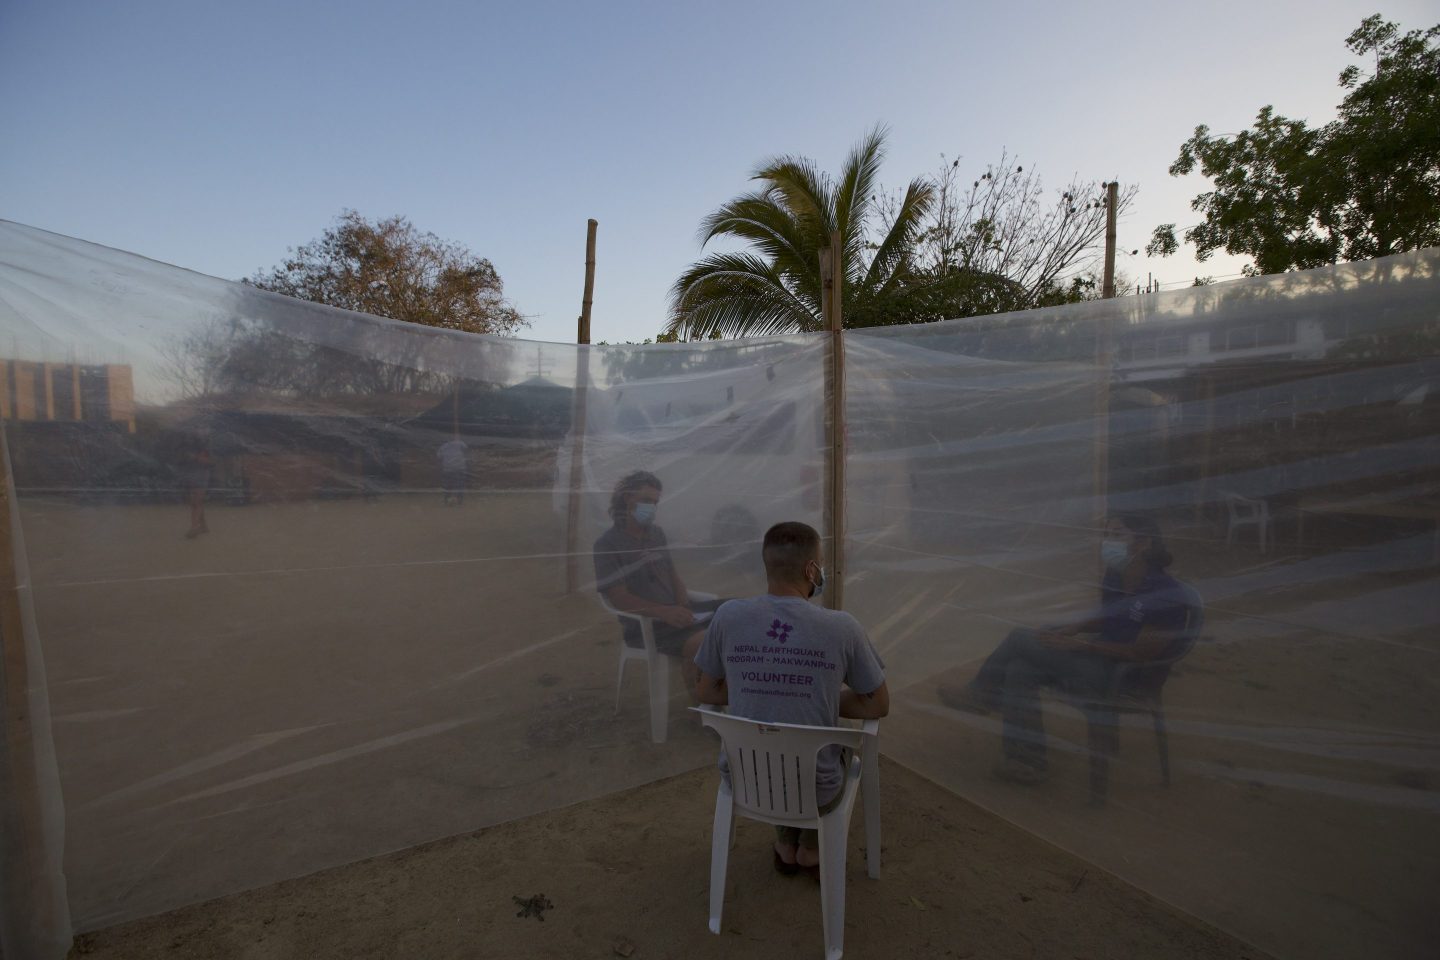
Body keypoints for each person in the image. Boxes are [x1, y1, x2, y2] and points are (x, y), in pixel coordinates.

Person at [694, 521, 889, 876]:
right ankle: (811, 851)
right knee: (831, 752)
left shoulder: (729, 616)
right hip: (817, 789)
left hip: (745, 780)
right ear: (812, 569)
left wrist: (766, 684)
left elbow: (707, 690)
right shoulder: (842, 627)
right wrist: (817, 693)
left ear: (767, 565)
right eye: (822, 565)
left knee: (773, 738)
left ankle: (786, 844)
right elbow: (877, 703)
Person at [938, 514, 1188, 785]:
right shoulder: (1117, 576)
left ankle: (981, 694)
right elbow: (1110, 617)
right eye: (1107, 534)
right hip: (1094, 662)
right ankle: (1028, 762)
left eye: (1117, 535)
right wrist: (1075, 628)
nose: (1107, 542)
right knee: (1020, 669)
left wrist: (1082, 644)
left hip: (1124, 678)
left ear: (1143, 543)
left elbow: (1141, 654)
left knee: (1020, 638)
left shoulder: (1165, 594)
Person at [593, 471, 725, 691]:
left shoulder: (656, 534)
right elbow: (619, 597)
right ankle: (704, 710)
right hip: (648, 626)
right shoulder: (608, 544)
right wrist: (664, 612)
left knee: (739, 610)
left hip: (679, 613)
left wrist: (682, 602)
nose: (651, 508)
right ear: (627, 498)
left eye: (655, 502)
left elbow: (671, 572)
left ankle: (725, 697)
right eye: (645, 501)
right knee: (705, 641)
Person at [179, 439, 212, 539]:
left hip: (201, 477)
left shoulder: (205, 447)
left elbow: (208, 461)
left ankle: (194, 528)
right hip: (192, 476)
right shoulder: (189, 446)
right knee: (195, 502)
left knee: (196, 502)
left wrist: (195, 458)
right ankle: (203, 526)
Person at [437, 436, 467, 505]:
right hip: (459, 468)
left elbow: (439, 457)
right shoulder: (460, 443)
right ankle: (458, 500)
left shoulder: (443, 446)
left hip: (448, 469)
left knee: (448, 485)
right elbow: (466, 450)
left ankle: (447, 500)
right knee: (459, 485)